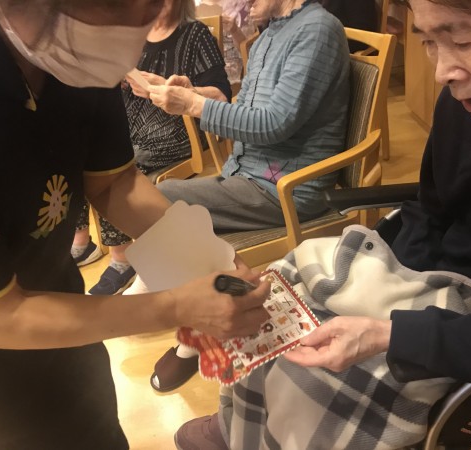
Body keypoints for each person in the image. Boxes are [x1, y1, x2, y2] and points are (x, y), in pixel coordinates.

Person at [172, 0, 471, 448]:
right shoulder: (463, 105)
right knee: (274, 308)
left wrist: (393, 329)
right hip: (434, 269)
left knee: (309, 374)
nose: (442, 72)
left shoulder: (315, 31)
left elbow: (273, 123)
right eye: (428, 42)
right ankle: (245, 422)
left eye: (462, 38)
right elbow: (432, 208)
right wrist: (377, 277)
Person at [0, 0, 271, 448]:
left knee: (98, 429)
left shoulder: (73, 57)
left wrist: (207, 258)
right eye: (117, 9)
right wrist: (177, 306)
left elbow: (114, 183)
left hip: (62, 303)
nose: (132, 36)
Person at [140, 0, 351, 392]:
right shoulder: (271, 33)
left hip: (286, 187)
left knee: (165, 200)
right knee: (166, 208)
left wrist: (195, 105)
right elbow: (250, 110)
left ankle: (204, 331)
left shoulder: (317, 30)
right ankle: (214, 320)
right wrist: (195, 93)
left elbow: (274, 124)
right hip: (247, 175)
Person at [72, 0, 232, 296]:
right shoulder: (132, 34)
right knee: (81, 152)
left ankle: (122, 257)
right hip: (133, 125)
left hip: (176, 131)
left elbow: (221, 95)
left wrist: (183, 92)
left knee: (118, 164)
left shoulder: (195, 33)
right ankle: (83, 241)